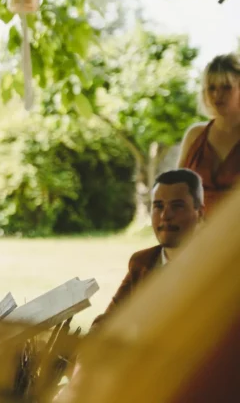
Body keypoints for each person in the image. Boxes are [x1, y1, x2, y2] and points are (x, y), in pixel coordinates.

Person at [53, 169, 205, 403]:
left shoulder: (212, 268)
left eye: (177, 206)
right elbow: (109, 320)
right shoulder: (143, 263)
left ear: (199, 213)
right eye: (158, 206)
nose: (166, 216)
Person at [178, 53, 240, 216]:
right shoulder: (195, 136)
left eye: (226, 87)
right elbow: (176, 193)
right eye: (211, 88)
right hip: (196, 236)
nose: (217, 95)